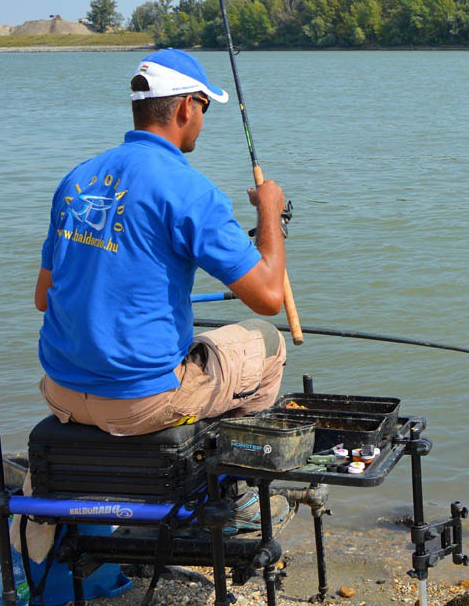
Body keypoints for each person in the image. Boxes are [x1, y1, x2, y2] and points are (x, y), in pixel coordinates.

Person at [34, 48, 289, 437]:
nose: (203, 119)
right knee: (268, 342)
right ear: (187, 107)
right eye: (205, 106)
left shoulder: (77, 178)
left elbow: (43, 298)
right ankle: (238, 490)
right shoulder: (191, 191)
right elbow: (270, 298)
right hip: (141, 404)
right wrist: (270, 210)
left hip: (60, 392)